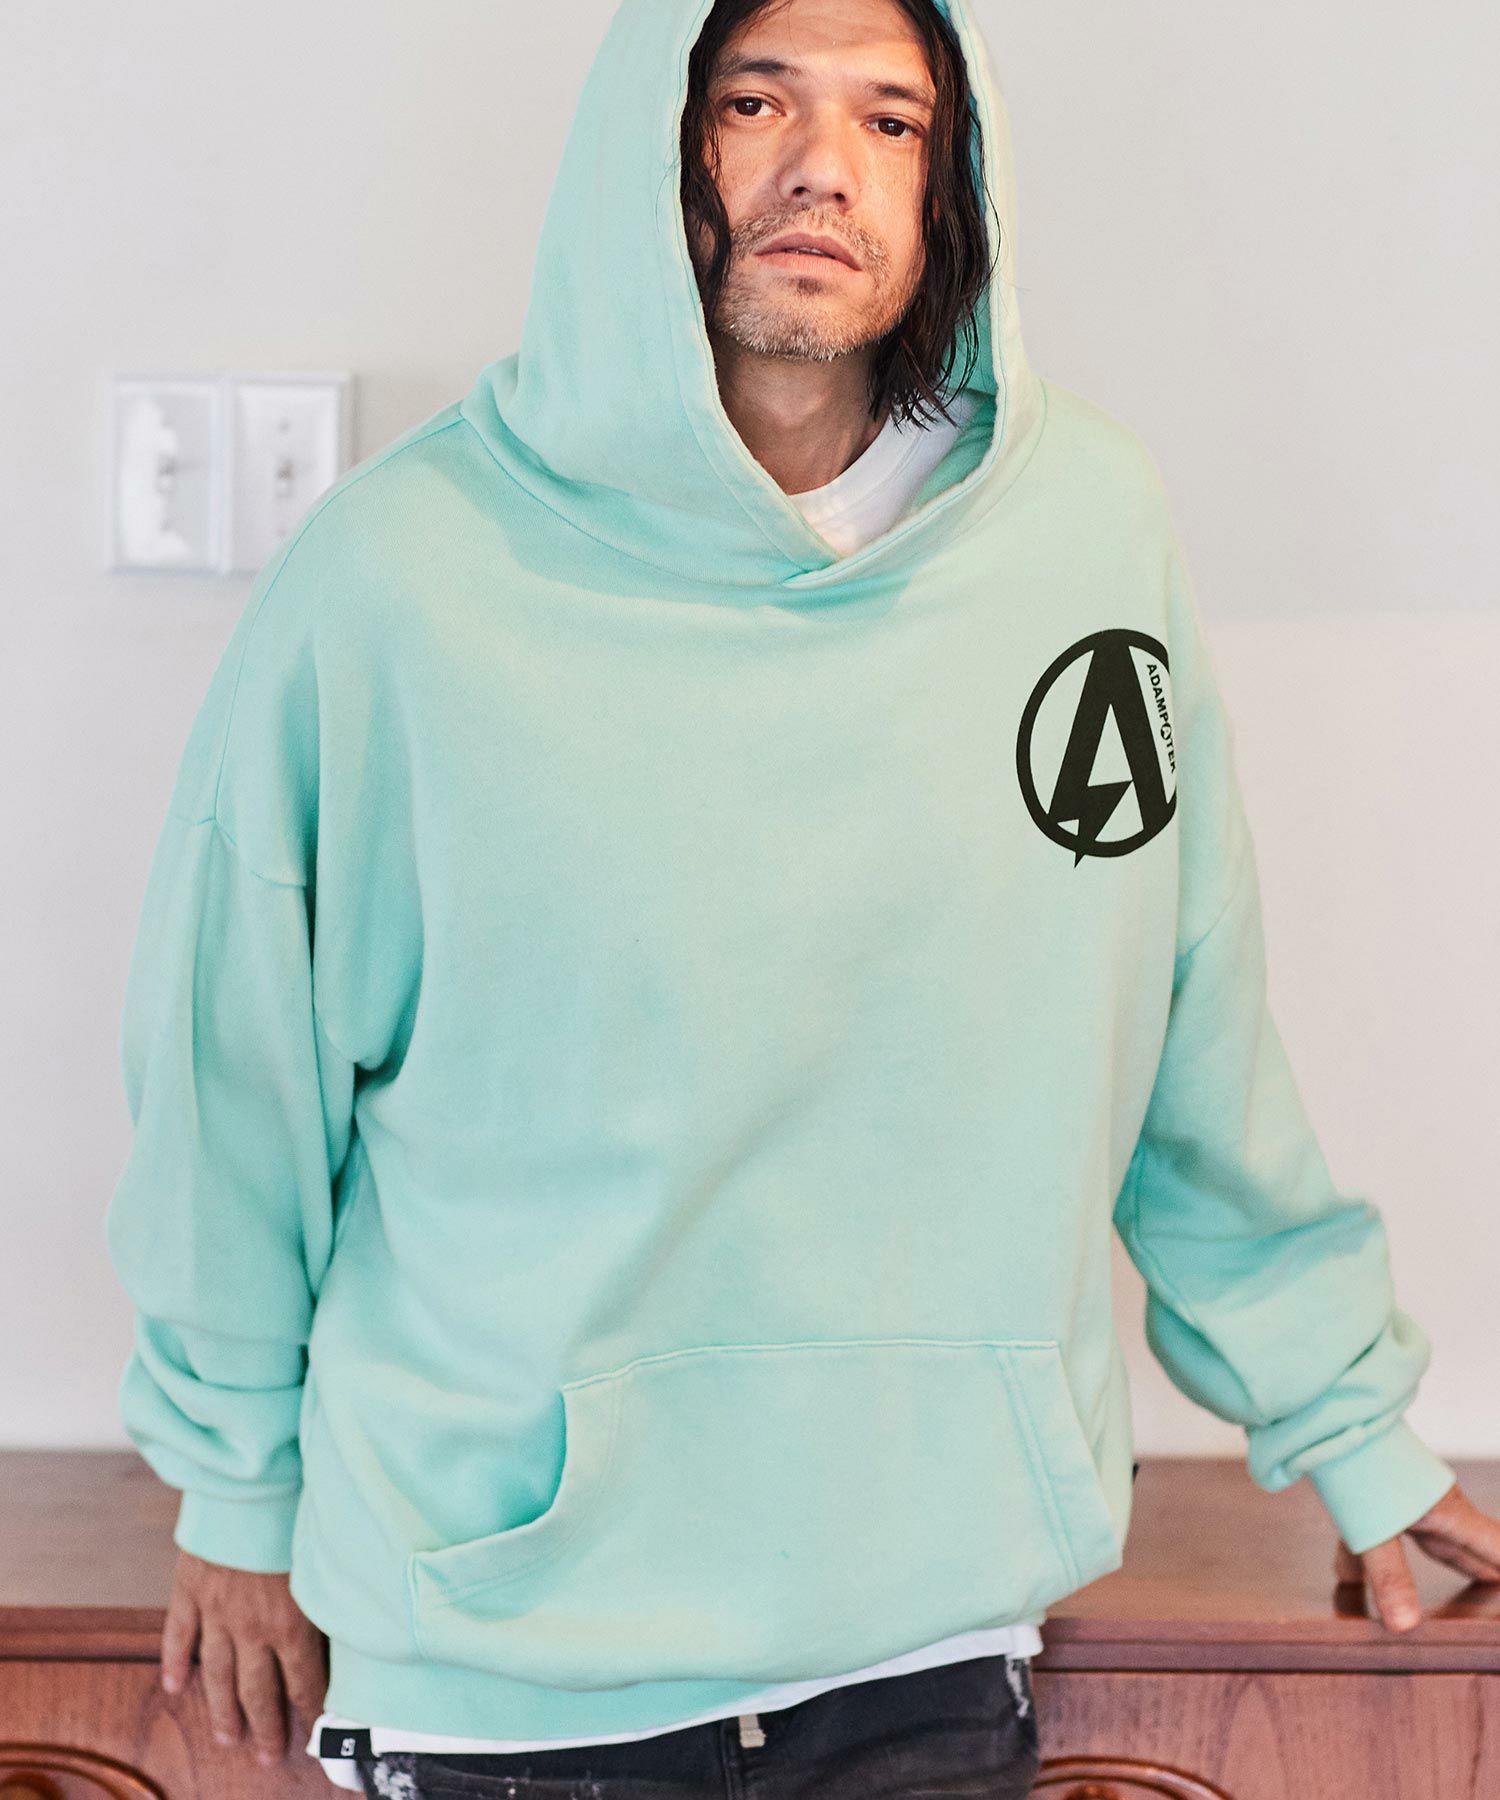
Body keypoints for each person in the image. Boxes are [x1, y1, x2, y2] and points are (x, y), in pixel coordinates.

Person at [103, 0, 1500, 1796]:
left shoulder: (1083, 536)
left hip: (927, 1636)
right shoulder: (399, 579)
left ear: (953, 183)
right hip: (509, 1668)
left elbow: (1188, 1031)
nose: (824, 168)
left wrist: (1349, 1424)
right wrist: (233, 1488)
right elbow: (236, 1084)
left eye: (892, 121)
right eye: (756, 102)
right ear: (652, 148)